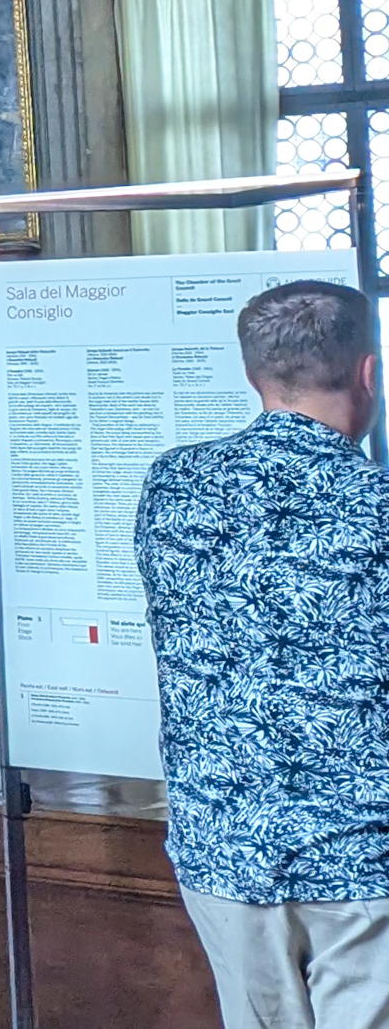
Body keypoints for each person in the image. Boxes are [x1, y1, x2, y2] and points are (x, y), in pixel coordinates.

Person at [138, 278, 389, 1029]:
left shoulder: (173, 484)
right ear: (367, 373)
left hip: (223, 842)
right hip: (365, 852)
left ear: (254, 375)